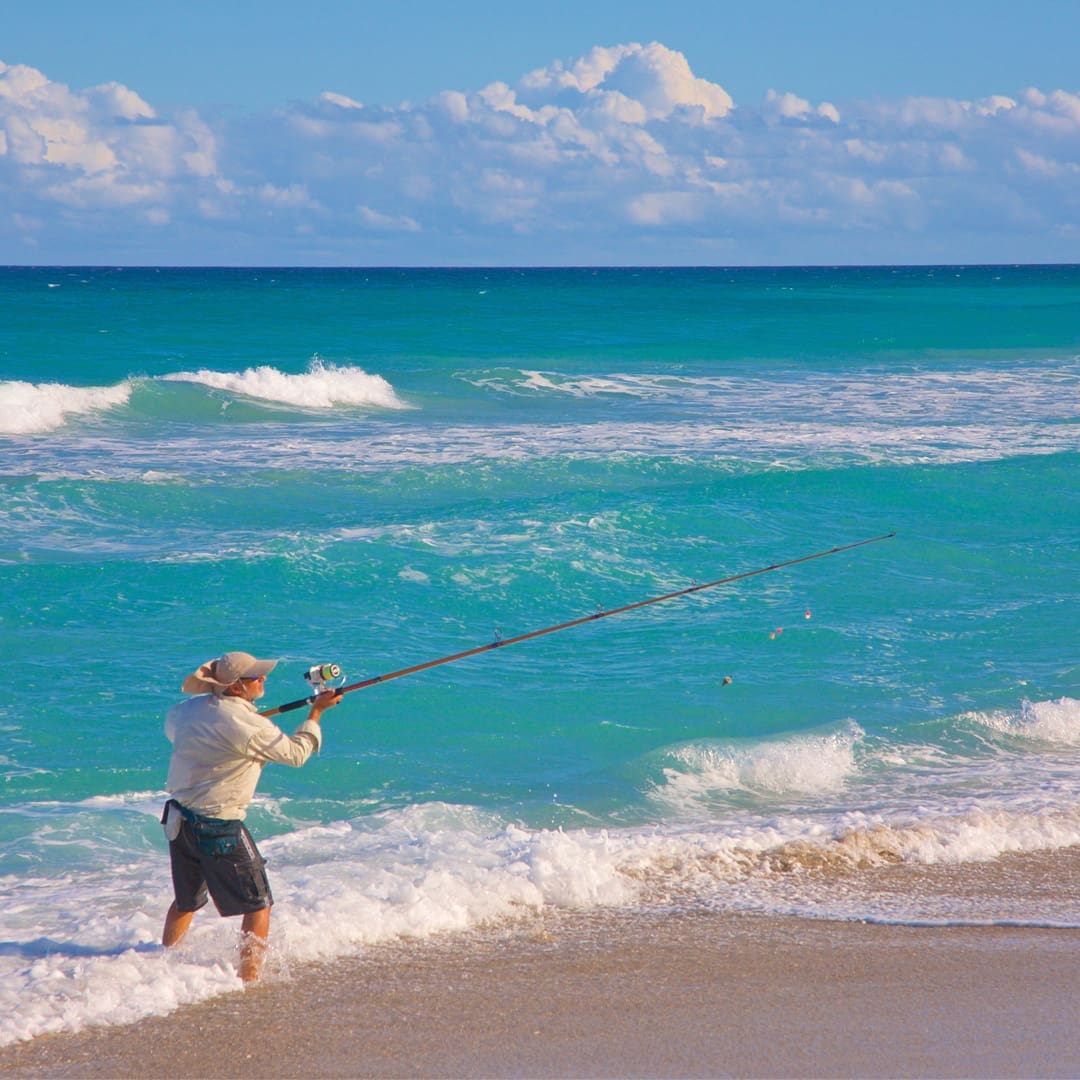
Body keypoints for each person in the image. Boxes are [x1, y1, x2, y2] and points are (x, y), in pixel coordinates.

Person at [160, 650, 340, 982]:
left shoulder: (183, 712)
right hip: (219, 825)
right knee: (258, 904)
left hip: (178, 821)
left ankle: (161, 967)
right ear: (236, 688)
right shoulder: (248, 726)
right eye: (256, 677)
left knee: (186, 901)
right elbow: (296, 755)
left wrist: (239, 725)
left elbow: (184, 732)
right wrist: (316, 713)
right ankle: (249, 980)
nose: (263, 679)